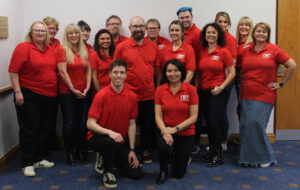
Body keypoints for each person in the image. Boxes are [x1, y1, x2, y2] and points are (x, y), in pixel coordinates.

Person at [238, 22, 296, 168]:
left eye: (264, 32)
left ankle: (266, 157)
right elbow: (240, 71)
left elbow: (292, 65)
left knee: (256, 125)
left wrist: (281, 83)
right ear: (253, 33)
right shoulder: (246, 50)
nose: (260, 34)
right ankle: (248, 159)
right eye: (258, 31)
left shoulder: (274, 49)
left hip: (264, 94)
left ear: (268, 34)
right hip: (246, 93)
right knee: (246, 126)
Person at [8, 21, 57, 177]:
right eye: (37, 30)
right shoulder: (23, 47)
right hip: (29, 95)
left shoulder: (50, 49)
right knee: (30, 130)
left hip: (49, 95)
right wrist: (17, 92)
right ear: (31, 32)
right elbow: (13, 71)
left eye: (43, 31)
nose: (41, 33)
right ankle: (27, 163)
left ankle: (38, 158)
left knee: (44, 130)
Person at [87, 60, 144, 189]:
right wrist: (109, 132)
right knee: (109, 142)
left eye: (122, 73)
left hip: (118, 141)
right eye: (115, 72)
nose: (118, 75)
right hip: (97, 138)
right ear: (109, 74)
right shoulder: (101, 95)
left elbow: (131, 124)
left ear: (126, 75)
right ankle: (108, 172)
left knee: (137, 173)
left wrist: (131, 150)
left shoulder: (132, 97)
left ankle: (107, 157)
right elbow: (90, 124)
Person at [114, 16, 160, 164]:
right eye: (135, 26)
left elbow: (157, 69)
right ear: (130, 28)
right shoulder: (122, 47)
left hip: (148, 94)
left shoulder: (153, 46)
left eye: (141, 26)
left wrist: (156, 88)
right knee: (126, 124)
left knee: (147, 125)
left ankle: (145, 151)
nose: (138, 29)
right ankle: (127, 151)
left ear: (145, 28)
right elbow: (116, 70)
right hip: (128, 94)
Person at [197, 23, 236, 167]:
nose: (211, 35)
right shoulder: (202, 50)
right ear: (204, 35)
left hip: (217, 92)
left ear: (218, 35)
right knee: (208, 123)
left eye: (214, 32)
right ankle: (212, 152)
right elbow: (198, 73)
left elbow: (232, 72)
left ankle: (218, 155)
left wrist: (221, 87)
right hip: (203, 91)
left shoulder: (223, 51)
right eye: (208, 32)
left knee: (214, 124)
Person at [155, 59, 198, 185]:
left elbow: (194, 117)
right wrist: (165, 132)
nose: (172, 74)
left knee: (178, 174)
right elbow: (158, 116)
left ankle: (175, 156)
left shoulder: (191, 90)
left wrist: (175, 129)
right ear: (165, 73)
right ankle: (163, 170)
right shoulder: (160, 90)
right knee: (163, 146)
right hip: (165, 130)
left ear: (182, 72)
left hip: (185, 132)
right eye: (169, 71)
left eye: (176, 70)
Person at [56, 24, 91, 166]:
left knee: (82, 124)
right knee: (69, 124)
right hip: (67, 93)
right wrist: (72, 88)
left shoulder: (85, 50)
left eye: (76, 32)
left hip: (84, 92)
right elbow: (62, 72)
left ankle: (81, 150)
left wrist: (87, 88)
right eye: (70, 33)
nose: (74, 35)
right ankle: (70, 152)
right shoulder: (62, 49)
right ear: (66, 35)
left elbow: (89, 70)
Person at [91, 29, 115, 174]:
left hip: (115, 93)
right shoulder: (95, 55)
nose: (105, 41)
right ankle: (99, 155)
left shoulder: (115, 53)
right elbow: (94, 76)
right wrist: (100, 92)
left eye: (108, 38)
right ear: (97, 41)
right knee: (101, 124)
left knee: (113, 121)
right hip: (100, 94)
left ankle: (112, 152)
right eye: (102, 39)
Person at [214, 11, 238, 151]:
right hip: (214, 80)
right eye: (219, 21)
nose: (222, 24)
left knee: (221, 111)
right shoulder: (213, 36)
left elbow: (232, 64)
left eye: (225, 22)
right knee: (216, 112)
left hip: (225, 82)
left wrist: (222, 83)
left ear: (229, 24)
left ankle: (223, 140)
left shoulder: (230, 39)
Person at [159, 20, 196, 84]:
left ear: (182, 32)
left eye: (177, 30)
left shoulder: (188, 49)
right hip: (167, 87)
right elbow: (161, 72)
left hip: (183, 85)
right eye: (172, 30)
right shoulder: (164, 49)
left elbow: (190, 72)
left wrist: (182, 87)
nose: (174, 32)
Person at [235, 16, 254, 117]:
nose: (244, 27)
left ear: (251, 28)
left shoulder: (253, 43)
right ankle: (244, 131)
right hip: (238, 76)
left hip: (248, 77)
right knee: (241, 105)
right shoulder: (236, 43)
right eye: (241, 25)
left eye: (247, 25)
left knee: (246, 106)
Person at [146, 18, 171, 85]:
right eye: (150, 28)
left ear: (159, 29)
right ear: (146, 30)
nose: (153, 30)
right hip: (146, 78)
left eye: (155, 28)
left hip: (163, 76)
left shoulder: (166, 42)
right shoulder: (142, 42)